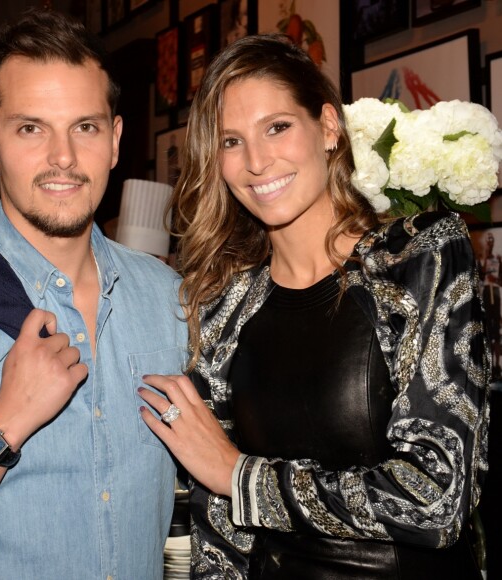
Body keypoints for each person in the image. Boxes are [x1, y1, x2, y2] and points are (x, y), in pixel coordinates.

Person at [137, 34, 491, 579]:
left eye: (277, 127)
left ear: (327, 128)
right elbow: (219, 529)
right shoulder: (224, 303)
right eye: (231, 141)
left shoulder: (419, 255)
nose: (256, 162)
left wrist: (239, 476)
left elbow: (438, 499)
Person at [0, 8, 187, 578]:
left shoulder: (169, 299)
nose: (63, 157)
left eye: (85, 127)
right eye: (31, 128)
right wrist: (4, 424)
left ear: (115, 140)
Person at [478, 231, 502, 379]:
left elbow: (501, 281)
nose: (490, 243)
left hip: (496, 295)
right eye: (488, 240)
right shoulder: (480, 260)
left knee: (496, 333)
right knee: (486, 331)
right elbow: (479, 277)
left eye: (492, 240)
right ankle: (486, 364)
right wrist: (485, 260)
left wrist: (495, 279)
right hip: (485, 295)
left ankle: (497, 365)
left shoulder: (498, 260)